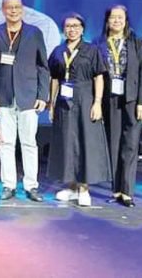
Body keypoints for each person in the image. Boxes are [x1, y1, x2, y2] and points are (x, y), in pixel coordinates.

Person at [0, 0, 50, 202]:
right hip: (3, 96)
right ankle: (8, 185)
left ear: (22, 9)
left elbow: (42, 66)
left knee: (29, 143)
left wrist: (43, 95)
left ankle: (31, 186)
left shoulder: (34, 32)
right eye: (9, 7)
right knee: (6, 143)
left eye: (17, 7)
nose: (13, 10)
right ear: (3, 10)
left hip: (29, 96)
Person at [48, 14, 110, 207]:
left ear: (82, 29)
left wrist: (97, 102)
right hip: (64, 102)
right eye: (68, 26)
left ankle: (84, 188)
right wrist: (51, 104)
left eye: (76, 26)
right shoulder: (59, 51)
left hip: (85, 99)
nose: (72, 29)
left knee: (84, 143)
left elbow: (98, 77)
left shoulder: (91, 50)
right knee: (67, 143)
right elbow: (55, 79)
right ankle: (71, 187)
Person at [96, 5, 142, 207]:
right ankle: (116, 189)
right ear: (107, 21)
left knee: (130, 145)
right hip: (109, 99)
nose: (117, 21)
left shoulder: (135, 42)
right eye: (113, 17)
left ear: (126, 20)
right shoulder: (98, 43)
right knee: (113, 144)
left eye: (120, 17)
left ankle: (128, 191)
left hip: (132, 99)